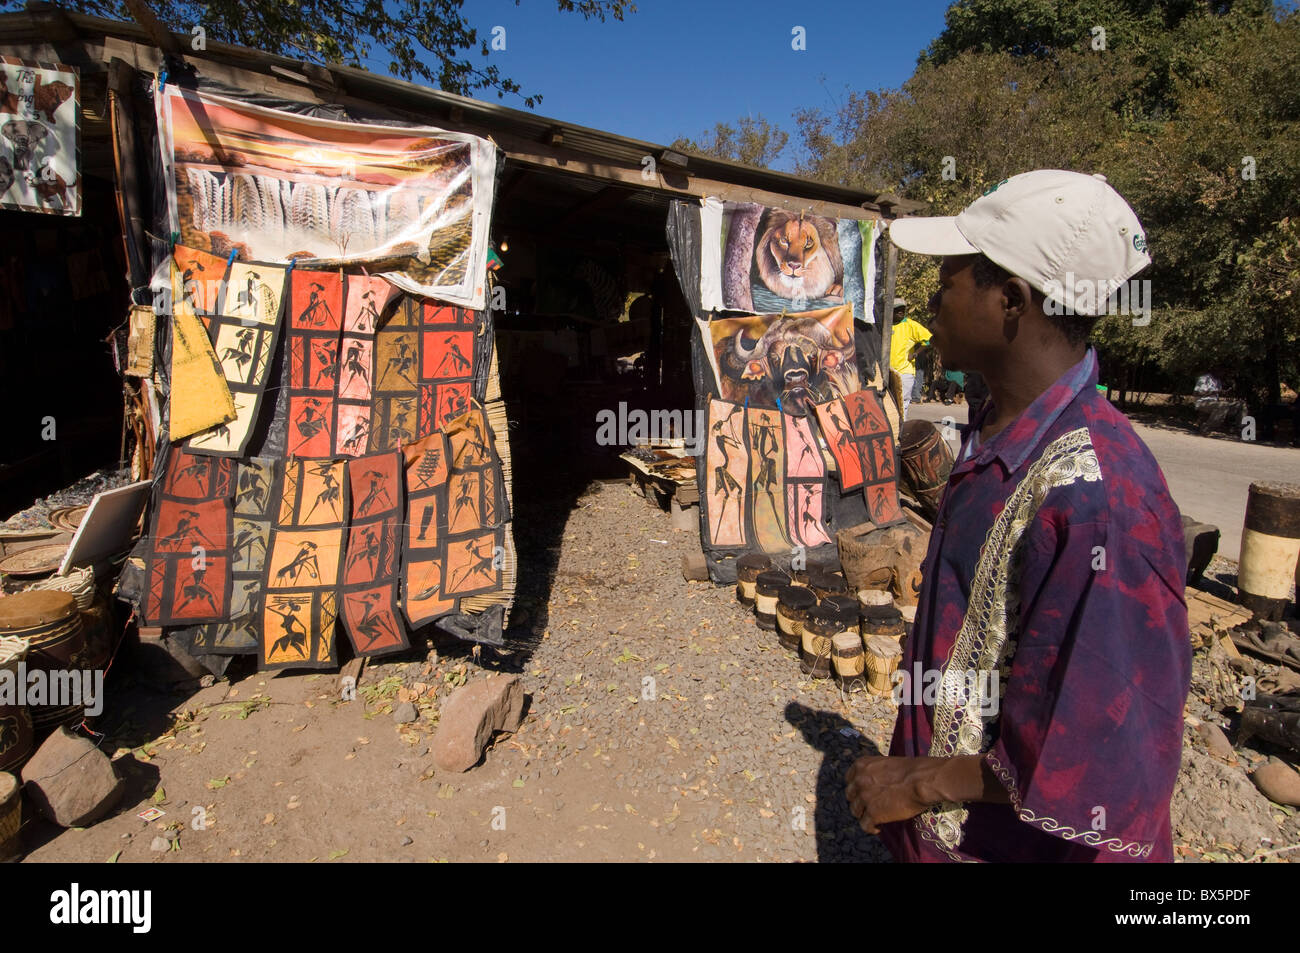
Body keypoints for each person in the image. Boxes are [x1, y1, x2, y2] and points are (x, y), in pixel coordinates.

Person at [847, 170, 1190, 862]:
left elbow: (1098, 759)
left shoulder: (1101, 503)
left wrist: (919, 784)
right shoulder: (997, 429)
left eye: (946, 281)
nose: (931, 300)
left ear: (1011, 301)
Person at [889, 297, 932, 420]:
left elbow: (930, 340)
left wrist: (916, 353)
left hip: (904, 372)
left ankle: (900, 430)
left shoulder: (911, 325)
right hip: (886, 371)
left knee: (902, 403)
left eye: (903, 309)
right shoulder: (884, 325)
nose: (901, 311)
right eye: (897, 309)